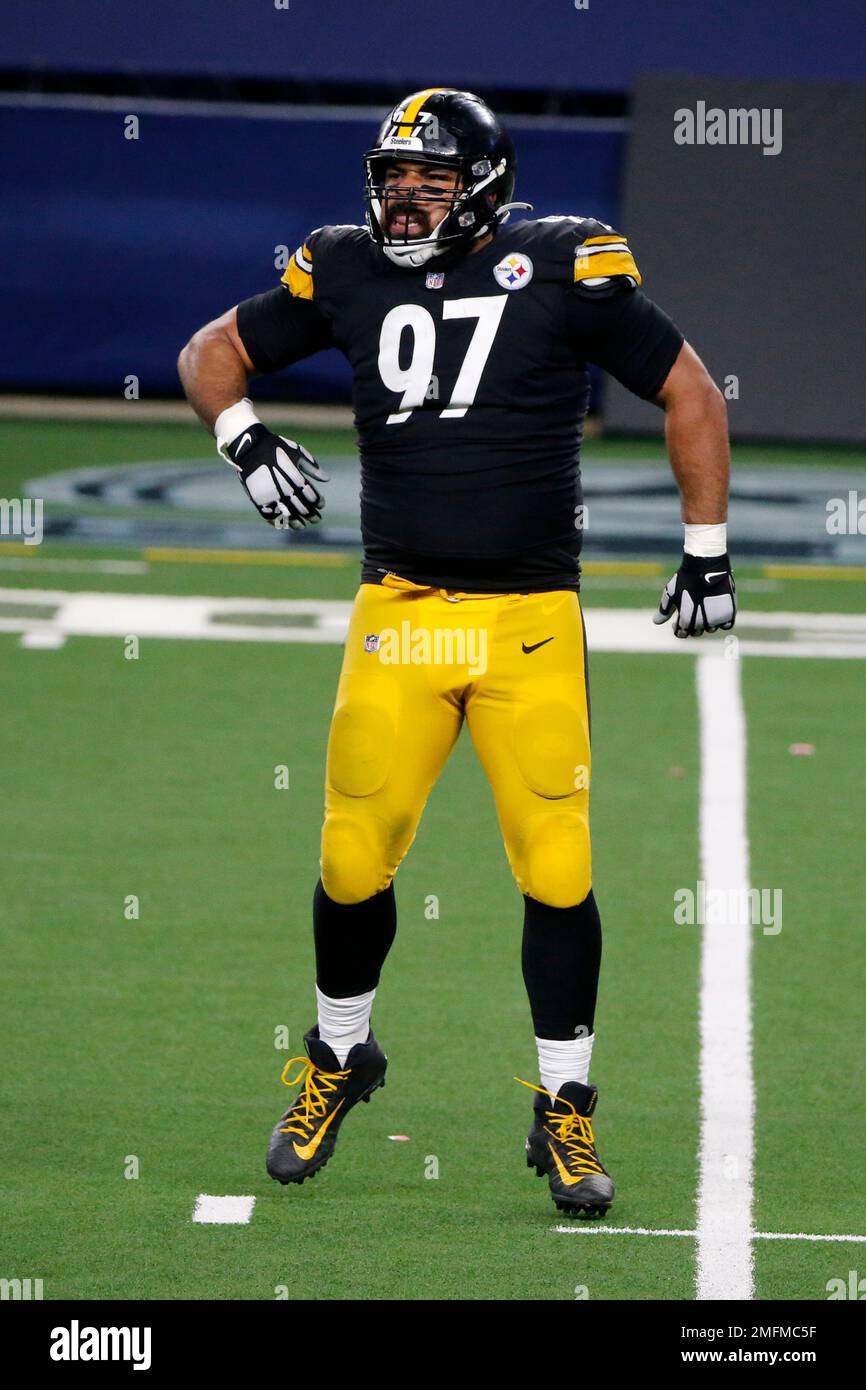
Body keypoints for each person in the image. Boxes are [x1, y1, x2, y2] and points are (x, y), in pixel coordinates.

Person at [178, 87, 735, 1218]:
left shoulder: (564, 260)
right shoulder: (340, 265)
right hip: (398, 613)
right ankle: (340, 1056)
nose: (404, 196)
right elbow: (210, 353)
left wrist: (706, 551)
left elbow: (686, 388)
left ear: (482, 183)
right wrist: (242, 439)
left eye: (428, 179)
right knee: (350, 858)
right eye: (392, 178)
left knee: (555, 869)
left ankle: (564, 1105)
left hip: (527, 620)